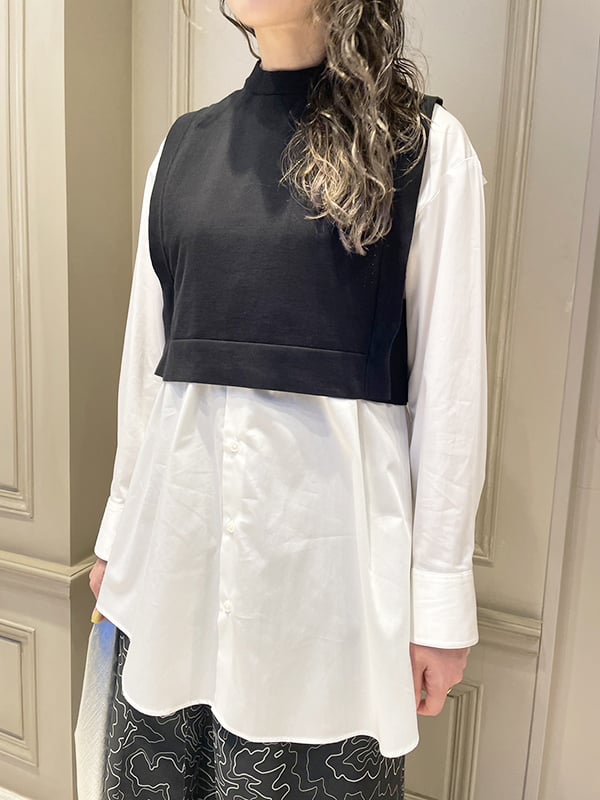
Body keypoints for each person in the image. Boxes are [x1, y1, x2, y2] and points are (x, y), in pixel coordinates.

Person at [84, 1, 488, 797]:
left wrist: (440, 604)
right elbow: (147, 374)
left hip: (326, 604)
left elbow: (450, 394)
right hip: (171, 572)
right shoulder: (182, 150)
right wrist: (116, 541)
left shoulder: (424, 149)